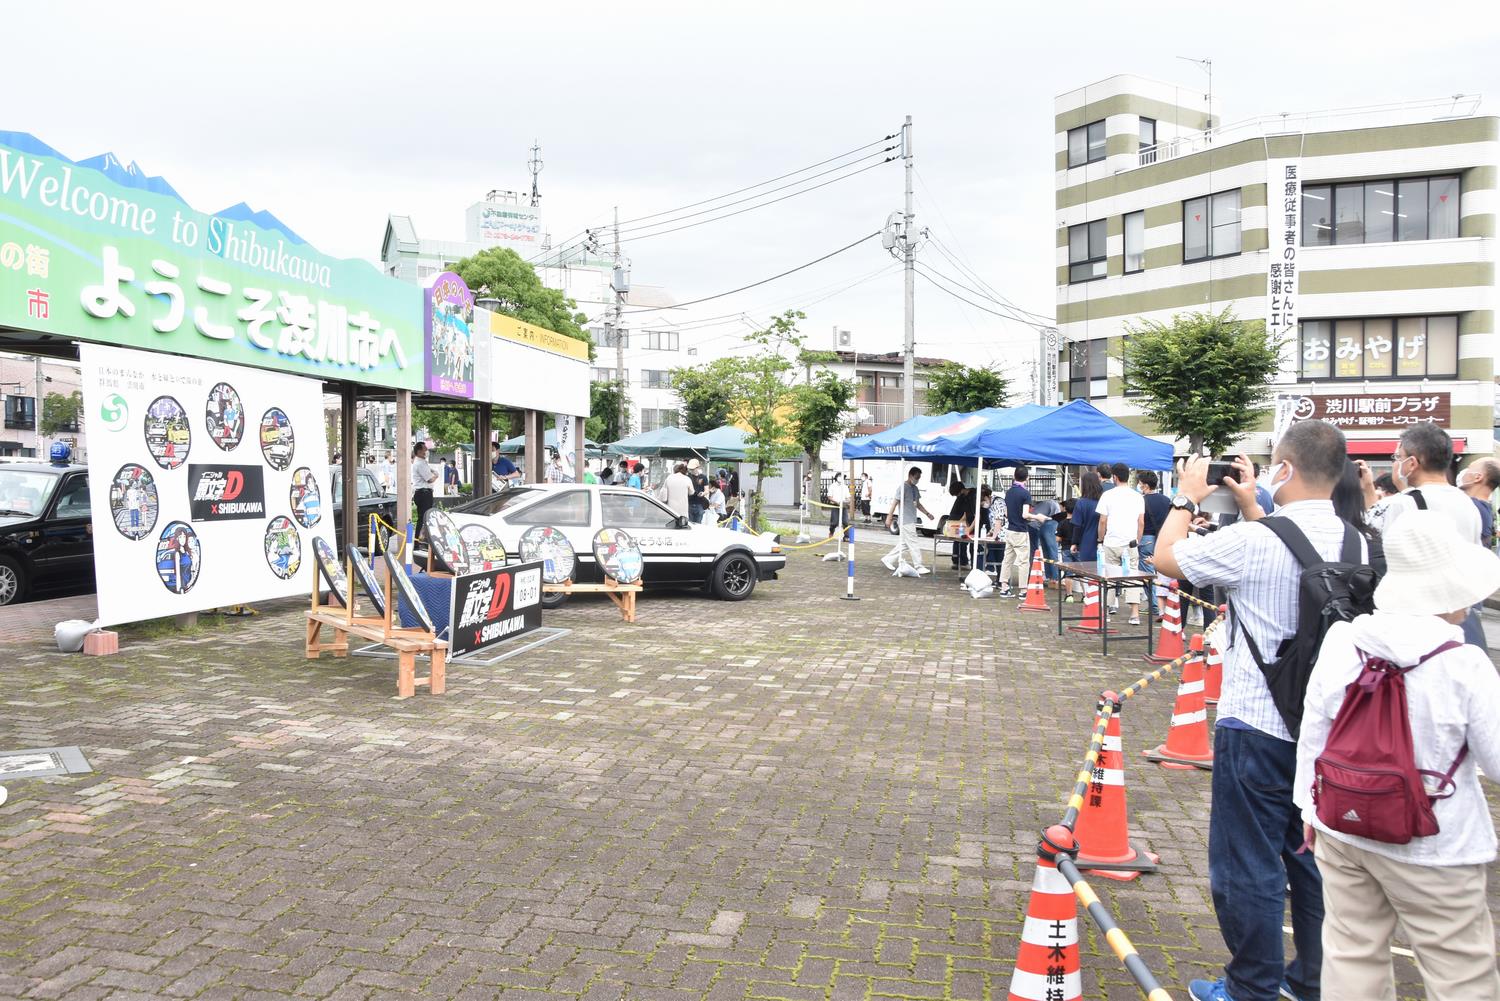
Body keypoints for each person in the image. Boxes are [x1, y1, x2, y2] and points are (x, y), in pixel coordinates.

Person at [1153, 420, 1368, 1001]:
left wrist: (1187, 494)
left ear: (1285, 470)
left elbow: (1166, 557)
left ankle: (1250, 987)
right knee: (1310, 860)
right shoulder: (1357, 541)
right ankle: (1311, 981)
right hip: (1328, 733)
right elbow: (1292, 558)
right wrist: (1255, 502)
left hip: (1256, 726)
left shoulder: (1254, 541)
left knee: (1248, 865)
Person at [1295, 511, 1500, 1001]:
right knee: (1459, 970)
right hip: (1435, 839)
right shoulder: (1464, 663)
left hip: (1341, 820)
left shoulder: (1345, 639)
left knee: (1350, 952)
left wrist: (1308, 805)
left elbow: (1315, 728)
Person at [1361, 424, 1483, 649]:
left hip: (1415, 618)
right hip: (1456, 614)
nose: (1396, 463)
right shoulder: (1467, 503)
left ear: (1412, 463)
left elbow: (1380, 554)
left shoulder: (1401, 503)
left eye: (1398, 457)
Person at [1096, 462, 1146, 624]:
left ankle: (1106, 612)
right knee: (1133, 576)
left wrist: (1100, 538)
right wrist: (1137, 540)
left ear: (1114, 477)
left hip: (1111, 542)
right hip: (1130, 542)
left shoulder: (1108, 495)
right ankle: (1134, 614)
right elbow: (1141, 522)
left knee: (1108, 576)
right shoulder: (1137, 496)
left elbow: (1102, 521)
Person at [882, 466, 934, 575]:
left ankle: (888, 558)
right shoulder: (903, 487)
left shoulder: (914, 489)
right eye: (916, 477)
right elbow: (895, 503)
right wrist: (889, 517)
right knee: (913, 542)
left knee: (905, 544)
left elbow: (918, 504)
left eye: (919, 478)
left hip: (911, 519)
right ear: (910, 475)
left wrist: (927, 513)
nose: (917, 479)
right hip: (905, 520)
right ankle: (918, 565)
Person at [997, 466, 1036, 598]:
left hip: (1010, 530)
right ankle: (1023, 590)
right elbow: (1025, 515)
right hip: (1020, 531)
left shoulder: (1009, 492)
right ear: (1027, 478)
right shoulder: (1025, 494)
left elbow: (1007, 513)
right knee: (1023, 562)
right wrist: (1037, 517)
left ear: (1014, 477)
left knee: (1007, 560)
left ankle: (1004, 587)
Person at [1139, 470, 1170, 615]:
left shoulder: (1141, 500)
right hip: (1163, 538)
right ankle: (1164, 604)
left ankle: (1155, 604)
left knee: (1147, 573)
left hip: (1146, 539)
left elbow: (1139, 522)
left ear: (1145, 485)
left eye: (1140, 483)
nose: (1139, 486)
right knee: (1163, 571)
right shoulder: (1166, 500)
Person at [1068, 471, 1103, 601]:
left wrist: (1074, 543)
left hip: (1087, 543)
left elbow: (1077, 526)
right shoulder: (1103, 501)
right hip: (1104, 542)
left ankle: (1092, 600)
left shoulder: (1081, 503)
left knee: (1089, 574)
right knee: (1104, 573)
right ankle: (1109, 603)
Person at [1459, 457, 1499, 550]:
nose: (1464, 473)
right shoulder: (1483, 508)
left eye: (1469, 468)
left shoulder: (1472, 507)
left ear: (1478, 477)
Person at [412, 442, 438, 528]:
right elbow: (430, 479)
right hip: (424, 493)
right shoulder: (420, 463)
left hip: (423, 493)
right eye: (425, 449)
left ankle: (421, 539)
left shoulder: (422, 462)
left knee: (424, 518)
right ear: (419, 451)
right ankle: (418, 540)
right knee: (423, 518)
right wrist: (436, 476)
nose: (427, 451)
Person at [826, 472, 849, 538]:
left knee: (845, 522)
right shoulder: (832, 486)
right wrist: (836, 502)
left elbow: (848, 497)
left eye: (842, 477)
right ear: (836, 477)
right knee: (834, 522)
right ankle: (831, 531)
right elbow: (829, 496)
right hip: (835, 505)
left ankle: (846, 536)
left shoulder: (845, 487)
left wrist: (847, 501)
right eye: (839, 476)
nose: (840, 478)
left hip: (843, 505)